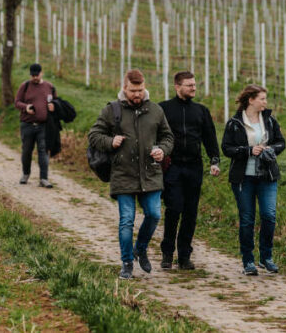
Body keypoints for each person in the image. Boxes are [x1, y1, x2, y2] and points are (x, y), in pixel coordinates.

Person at [88, 69, 173, 279]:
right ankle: (126, 262)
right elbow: (94, 135)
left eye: (140, 90)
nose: (137, 94)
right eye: (133, 90)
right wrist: (110, 142)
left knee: (154, 214)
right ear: (124, 88)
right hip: (123, 174)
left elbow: (168, 136)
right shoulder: (112, 110)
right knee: (127, 220)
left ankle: (140, 248)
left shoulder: (155, 110)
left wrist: (163, 149)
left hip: (151, 174)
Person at [221, 84, 286, 276]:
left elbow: (281, 142)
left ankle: (266, 257)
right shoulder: (234, 123)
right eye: (262, 98)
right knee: (247, 219)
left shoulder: (270, 121)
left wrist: (271, 150)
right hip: (244, 178)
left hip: (267, 176)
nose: (265, 102)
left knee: (269, 216)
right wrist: (248, 151)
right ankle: (247, 260)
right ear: (251, 100)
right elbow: (226, 148)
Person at [159, 71, 220, 270]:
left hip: (194, 167)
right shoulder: (164, 109)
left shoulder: (201, 111)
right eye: (189, 85)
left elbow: (209, 137)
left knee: (190, 213)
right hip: (172, 166)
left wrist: (214, 160)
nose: (193, 88)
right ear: (177, 87)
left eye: (194, 85)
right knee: (174, 208)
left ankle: (184, 255)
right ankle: (167, 252)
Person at [14, 63, 56, 188]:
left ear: (41, 73)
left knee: (43, 151)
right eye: (32, 75)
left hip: (43, 125)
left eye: (37, 75)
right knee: (27, 151)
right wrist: (26, 107)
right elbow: (17, 102)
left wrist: (53, 107)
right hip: (27, 124)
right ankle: (26, 174)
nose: (35, 77)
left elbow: (56, 102)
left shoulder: (49, 87)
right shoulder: (25, 86)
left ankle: (44, 178)